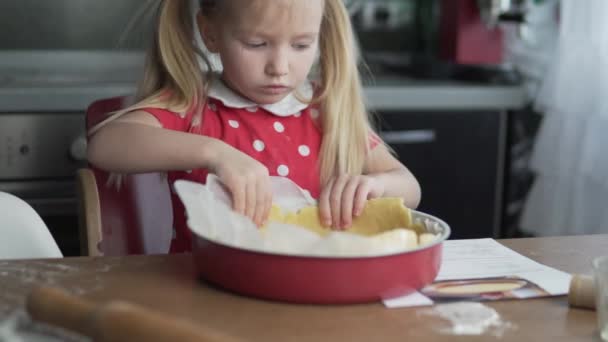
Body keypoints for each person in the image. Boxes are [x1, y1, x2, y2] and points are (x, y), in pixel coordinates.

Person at [87, 0, 421, 253]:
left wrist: (375, 187)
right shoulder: (194, 106)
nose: (279, 67)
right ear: (211, 34)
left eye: (302, 45)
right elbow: (106, 145)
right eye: (257, 44)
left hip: (310, 293)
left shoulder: (324, 111)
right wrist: (215, 153)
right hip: (206, 294)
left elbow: (409, 187)